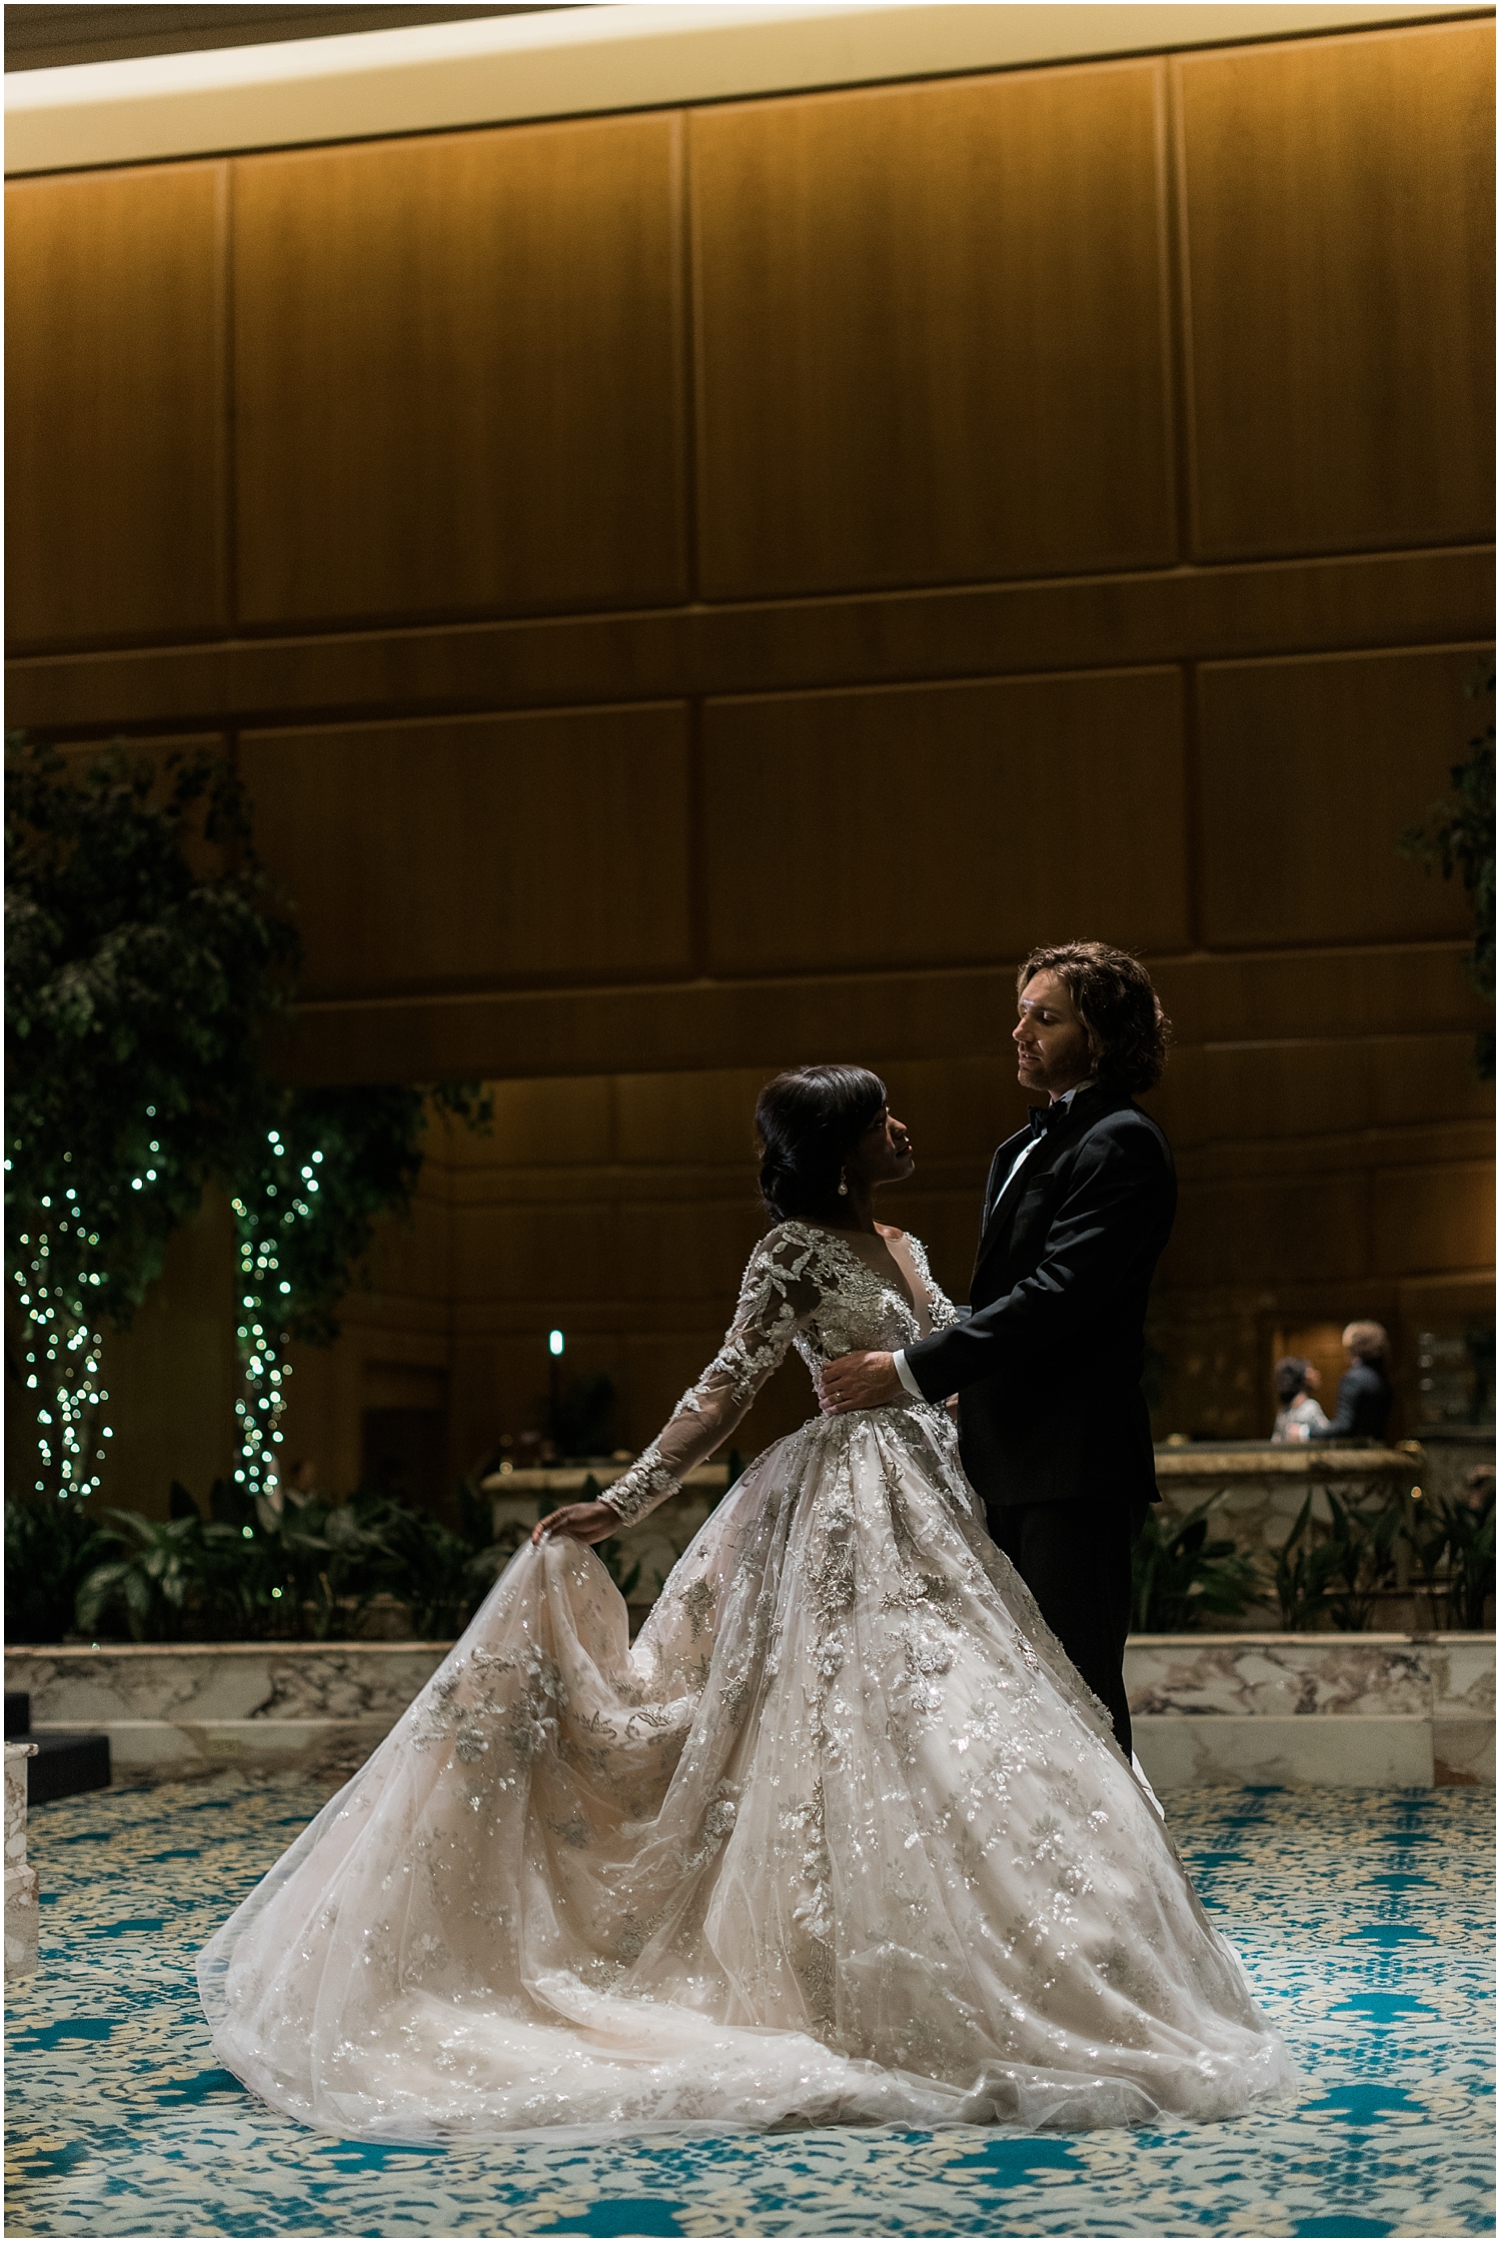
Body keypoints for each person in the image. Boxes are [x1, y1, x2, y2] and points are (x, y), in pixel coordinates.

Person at [198, 1065, 1292, 2143]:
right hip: (841, 1508)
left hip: (940, 1494)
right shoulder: (791, 1251)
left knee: (974, 1721)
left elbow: (964, 1354)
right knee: (843, 1727)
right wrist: (624, 1502)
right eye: (879, 1118)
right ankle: (831, 1966)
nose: (901, 1128)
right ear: (843, 1148)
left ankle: (1032, 1955)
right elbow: (726, 1383)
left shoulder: (904, 1245)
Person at [821, 943, 1175, 1760]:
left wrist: (911, 1371)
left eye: (1044, 1018)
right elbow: (1007, 1294)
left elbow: (1059, 1296)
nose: (1019, 1031)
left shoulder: (1123, 1141)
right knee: (1016, 1695)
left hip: (1072, 1461)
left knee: (1078, 1693)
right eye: (1021, 1012)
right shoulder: (1015, 1149)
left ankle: (1119, 1887)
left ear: (1104, 1036)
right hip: (998, 1452)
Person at [1310, 1321, 1394, 1441]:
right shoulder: (1383, 1378)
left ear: (1353, 1347)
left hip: (1357, 1454)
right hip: (1379, 1448)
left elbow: (1344, 1426)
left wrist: (1306, 1433)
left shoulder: (1353, 1378)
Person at [1271, 1359, 1331, 1443]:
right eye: (1311, 1371)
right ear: (1302, 1377)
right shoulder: (1311, 1407)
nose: (1316, 1374)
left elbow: (1275, 1441)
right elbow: (1329, 1435)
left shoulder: (1282, 1412)